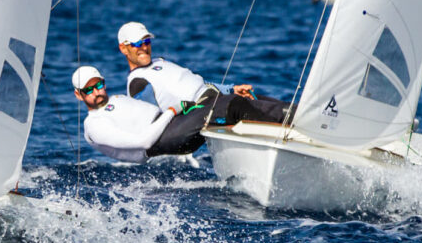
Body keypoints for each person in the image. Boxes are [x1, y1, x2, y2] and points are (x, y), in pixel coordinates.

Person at [118, 21, 290, 130]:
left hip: (217, 97)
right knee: (244, 106)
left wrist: (232, 89)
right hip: (204, 110)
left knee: (270, 103)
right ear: (124, 49)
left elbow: (199, 84)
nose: (144, 47)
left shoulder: (160, 62)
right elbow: (151, 120)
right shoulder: (137, 82)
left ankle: (297, 117)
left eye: (147, 41)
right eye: (137, 43)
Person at [73, 65, 185, 162]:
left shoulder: (116, 98)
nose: (96, 92)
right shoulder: (93, 125)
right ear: (78, 95)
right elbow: (144, 142)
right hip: (158, 143)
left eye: (99, 85)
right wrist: (172, 111)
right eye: (88, 90)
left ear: (104, 84)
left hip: (167, 122)